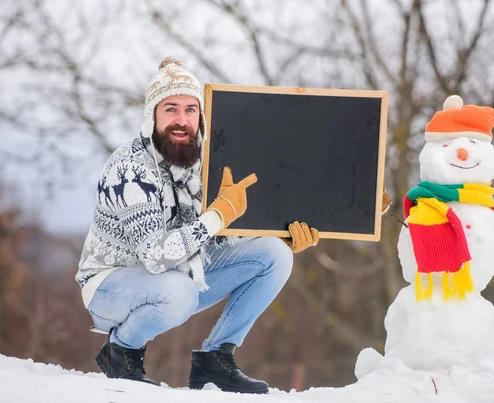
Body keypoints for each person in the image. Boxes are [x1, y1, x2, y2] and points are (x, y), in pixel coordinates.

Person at [76, 57, 321, 393]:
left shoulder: (196, 164)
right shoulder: (131, 168)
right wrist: (217, 215)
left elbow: (209, 242)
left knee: (275, 255)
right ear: (152, 116)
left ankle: (214, 361)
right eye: (171, 109)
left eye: (191, 110)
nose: (182, 120)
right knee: (181, 291)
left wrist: (279, 236)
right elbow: (154, 256)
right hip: (110, 288)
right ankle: (122, 351)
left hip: (175, 283)